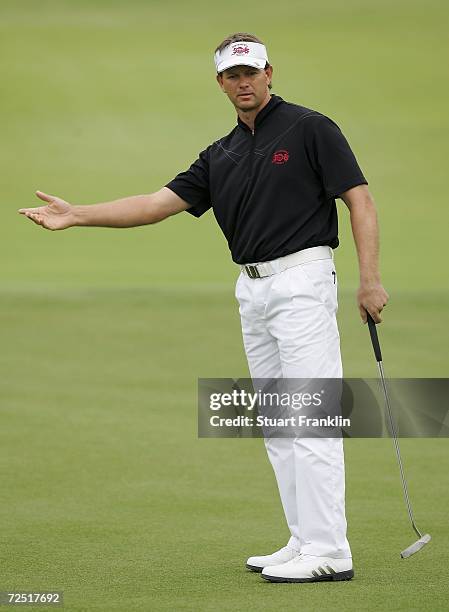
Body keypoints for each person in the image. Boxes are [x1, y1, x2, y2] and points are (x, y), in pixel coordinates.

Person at [18, 32, 389, 583]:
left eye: (252, 72)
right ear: (220, 82)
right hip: (254, 290)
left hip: (304, 280)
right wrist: (79, 215)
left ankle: (331, 550)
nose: (244, 82)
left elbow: (359, 199)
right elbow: (152, 205)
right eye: (233, 75)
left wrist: (370, 280)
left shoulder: (311, 128)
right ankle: (304, 539)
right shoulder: (221, 155)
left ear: (270, 73)